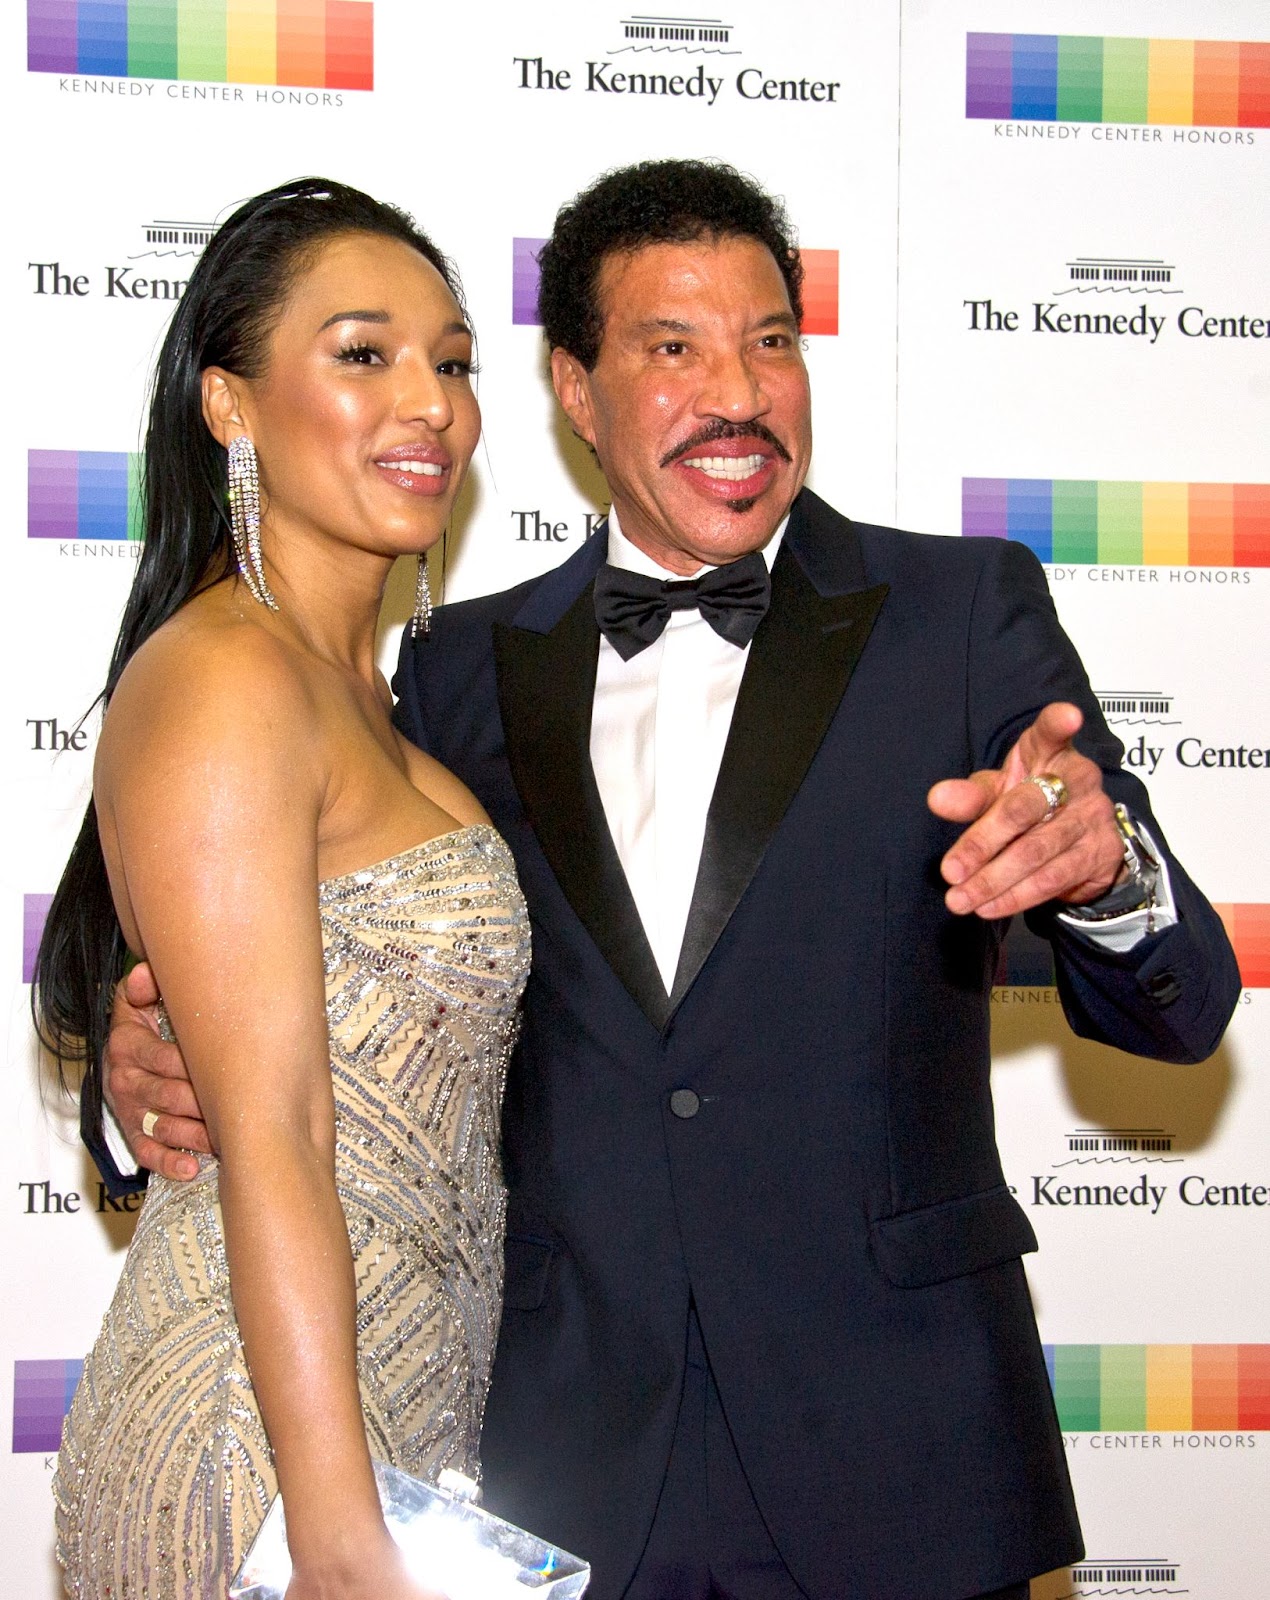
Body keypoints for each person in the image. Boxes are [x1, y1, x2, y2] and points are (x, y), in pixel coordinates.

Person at [103, 162, 1240, 1600]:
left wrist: (1102, 872)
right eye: (674, 348)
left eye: (771, 340)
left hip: (901, 1453)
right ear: (574, 392)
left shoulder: (960, 615)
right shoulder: (452, 671)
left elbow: (1182, 1004)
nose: (740, 391)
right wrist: (148, 1065)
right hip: (559, 1460)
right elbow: (309, 957)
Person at [34, 178, 531, 1600]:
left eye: (450, 362)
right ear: (230, 406)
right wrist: (333, 1533)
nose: (428, 401)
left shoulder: (377, 695)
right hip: (259, 1438)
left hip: (395, 1422)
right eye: (363, 353)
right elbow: (279, 1132)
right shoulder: (223, 678)